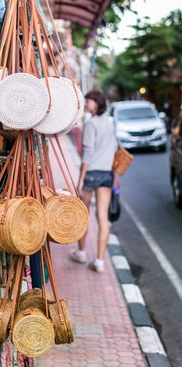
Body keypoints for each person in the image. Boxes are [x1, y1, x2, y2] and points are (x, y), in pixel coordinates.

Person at [70, 90, 117, 273]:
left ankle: (81, 252)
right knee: (103, 218)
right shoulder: (109, 122)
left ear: (97, 103)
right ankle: (99, 261)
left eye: (88, 100)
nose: (86, 103)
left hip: (91, 174)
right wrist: (114, 173)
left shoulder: (91, 124)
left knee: (84, 215)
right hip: (106, 173)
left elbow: (87, 153)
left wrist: (80, 179)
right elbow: (114, 147)